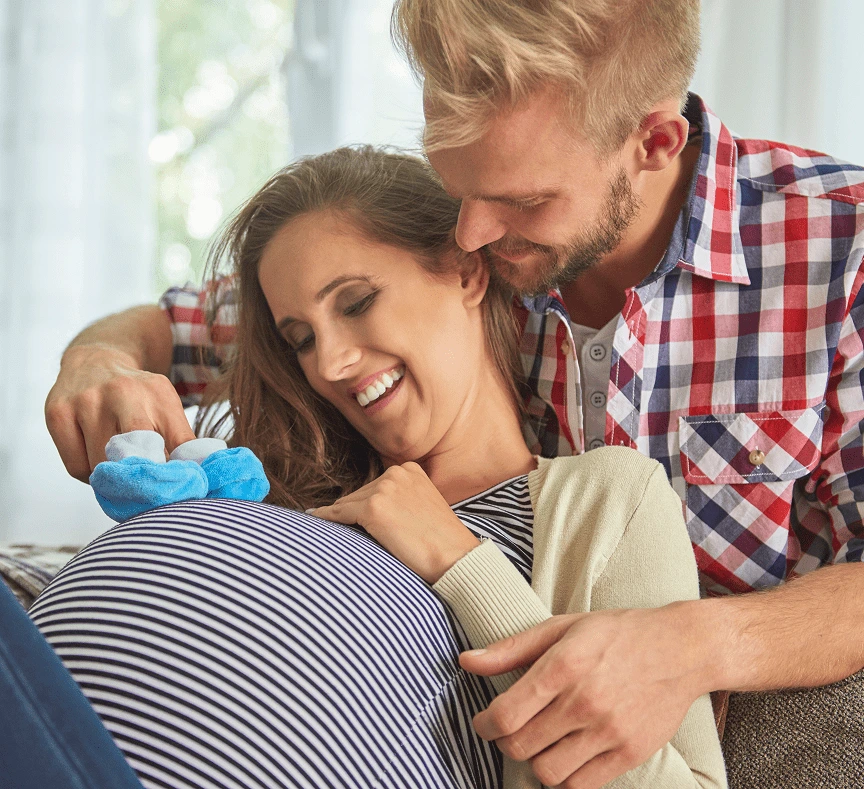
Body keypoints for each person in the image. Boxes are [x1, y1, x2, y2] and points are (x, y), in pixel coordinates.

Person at [43, 0, 864, 786]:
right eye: (455, 182)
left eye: (518, 199)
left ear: (653, 141)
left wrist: (693, 644)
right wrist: (96, 362)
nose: (469, 230)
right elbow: (190, 324)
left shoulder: (838, 248)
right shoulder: (467, 246)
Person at [19, 147, 725, 789]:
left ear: (467, 271)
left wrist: (460, 560)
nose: (329, 364)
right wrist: (95, 364)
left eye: (356, 303)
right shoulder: (301, 490)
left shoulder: (611, 497)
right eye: (301, 340)